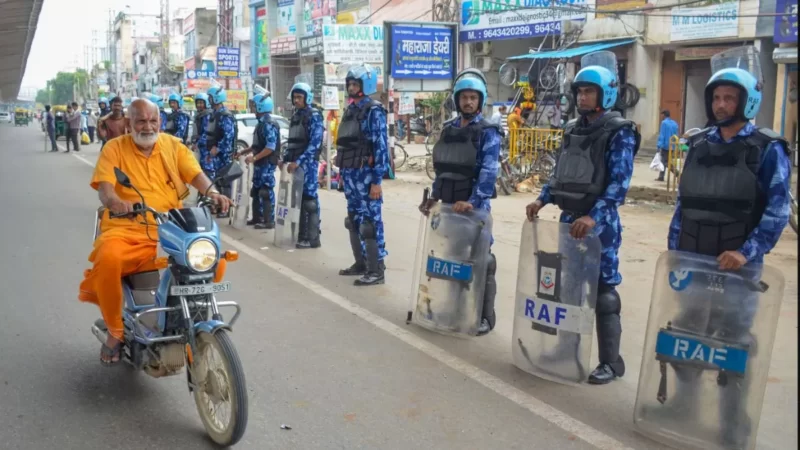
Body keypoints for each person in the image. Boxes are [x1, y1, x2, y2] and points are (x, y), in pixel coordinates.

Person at [663, 47, 790, 446]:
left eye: (729, 98)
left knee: (734, 348)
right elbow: (685, 204)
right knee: (689, 336)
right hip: (695, 259)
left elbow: (778, 210)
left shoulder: (768, 148)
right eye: (716, 97)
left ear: (746, 101)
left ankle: (733, 423)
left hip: (737, 267)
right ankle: (683, 408)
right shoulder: (699, 143)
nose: (720, 105)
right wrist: (673, 253)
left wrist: (747, 252)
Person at [78, 98, 233, 365]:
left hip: (171, 227)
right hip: (128, 227)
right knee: (109, 258)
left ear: (159, 122)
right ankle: (115, 331)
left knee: (212, 259)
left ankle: (188, 317)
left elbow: (195, 174)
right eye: (141, 121)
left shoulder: (173, 146)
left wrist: (213, 192)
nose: (148, 126)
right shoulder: (114, 148)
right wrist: (116, 202)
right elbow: (106, 188)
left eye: (153, 121)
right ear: (129, 123)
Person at [525, 51, 640, 384]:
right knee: (569, 291)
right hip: (568, 220)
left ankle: (611, 362)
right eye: (579, 91)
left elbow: (619, 184)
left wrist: (595, 217)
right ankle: (566, 349)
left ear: (605, 94)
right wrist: (542, 199)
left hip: (599, 227)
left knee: (604, 295)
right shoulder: (573, 128)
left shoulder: (620, 131)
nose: (582, 97)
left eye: (589, 91)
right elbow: (560, 172)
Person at [419, 68, 502, 336]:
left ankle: (484, 317)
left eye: (473, 98)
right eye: (464, 97)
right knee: (453, 261)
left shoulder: (488, 131)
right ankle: (455, 309)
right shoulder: (448, 130)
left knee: (482, 262)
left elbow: (489, 171)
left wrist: (474, 200)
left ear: (481, 100)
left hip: (473, 209)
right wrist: (433, 198)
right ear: (457, 100)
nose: (468, 102)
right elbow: (442, 168)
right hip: (449, 206)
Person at [336, 64, 389, 286]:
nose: (351, 87)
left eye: (355, 84)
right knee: (354, 220)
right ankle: (361, 263)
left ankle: (376, 269)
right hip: (350, 175)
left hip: (367, 177)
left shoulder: (373, 111)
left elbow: (380, 147)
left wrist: (377, 181)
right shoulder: (350, 109)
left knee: (370, 223)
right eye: (349, 84)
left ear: (365, 85)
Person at [283, 82, 324, 249]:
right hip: (295, 166)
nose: (297, 100)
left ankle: (312, 238)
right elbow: (292, 141)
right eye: (295, 97)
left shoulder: (314, 115)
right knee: (297, 200)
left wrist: (298, 162)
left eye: (300, 97)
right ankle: (301, 234)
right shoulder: (296, 115)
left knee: (309, 201)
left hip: (308, 165)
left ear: (307, 98)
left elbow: (314, 143)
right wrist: (284, 159)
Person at [235, 95, 280, 229]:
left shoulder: (268, 124)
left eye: (254, 105)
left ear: (261, 106)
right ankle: (257, 217)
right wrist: (243, 152)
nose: (252, 108)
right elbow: (257, 145)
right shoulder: (261, 123)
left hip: (266, 163)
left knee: (265, 191)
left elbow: (270, 147)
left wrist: (254, 158)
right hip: (260, 163)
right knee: (256, 190)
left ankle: (268, 220)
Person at [205, 85, 237, 218]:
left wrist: (217, 149)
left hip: (223, 154)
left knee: (225, 182)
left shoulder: (225, 115)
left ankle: (225, 209)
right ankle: (219, 207)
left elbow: (228, 136)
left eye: (210, 97)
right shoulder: (215, 114)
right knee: (218, 181)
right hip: (216, 154)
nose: (209, 100)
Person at [191, 93, 215, 181]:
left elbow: (206, 133)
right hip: (201, 148)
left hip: (207, 148)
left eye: (201, 103)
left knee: (208, 171)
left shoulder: (207, 115)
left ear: (206, 103)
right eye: (198, 103)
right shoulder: (200, 115)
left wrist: (197, 143)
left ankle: (210, 191)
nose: (199, 105)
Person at [656, 109, 679, 181]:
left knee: (666, 162)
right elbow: (676, 134)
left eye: (662, 115)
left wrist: (659, 145)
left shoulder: (664, 123)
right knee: (664, 161)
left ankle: (677, 173)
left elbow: (662, 135)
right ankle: (661, 177)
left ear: (664, 115)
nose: (661, 117)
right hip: (673, 145)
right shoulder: (674, 123)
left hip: (666, 145)